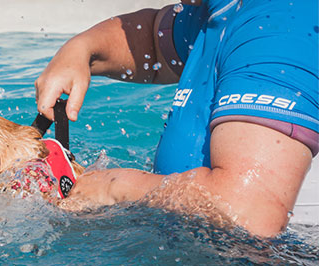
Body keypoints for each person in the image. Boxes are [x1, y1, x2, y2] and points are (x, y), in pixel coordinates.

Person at [34, 0, 318, 237]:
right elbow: (152, 42)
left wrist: (112, 187)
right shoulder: (221, 9)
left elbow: (247, 213)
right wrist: (79, 50)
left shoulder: (282, 26)